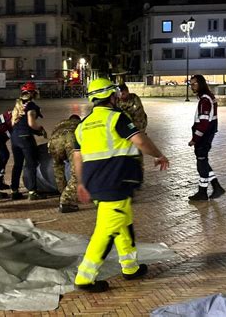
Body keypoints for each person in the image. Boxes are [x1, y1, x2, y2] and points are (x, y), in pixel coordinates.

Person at [73, 78, 169, 293]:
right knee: (105, 232)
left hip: (98, 184)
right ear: (112, 96)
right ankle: (84, 277)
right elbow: (140, 140)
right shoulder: (117, 118)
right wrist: (158, 155)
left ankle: (130, 267)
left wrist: (81, 184)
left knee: (123, 223)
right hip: (115, 183)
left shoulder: (82, 125)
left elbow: (78, 158)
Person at [188, 74, 225, 201]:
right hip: (208, 135)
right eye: (191, 84)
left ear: (201, 84)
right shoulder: (209, 97)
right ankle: (216, 186)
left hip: (204, 137)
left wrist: (195, 139)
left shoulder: (204, 100)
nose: (192, 86)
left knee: (201, 163)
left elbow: (203, 123)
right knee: (203, 162)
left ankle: (203, 192)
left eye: (194, 84)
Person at [10, 81, 47, 200]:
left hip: (15, 137)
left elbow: (17, 122)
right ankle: (32, 192)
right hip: (25, 138)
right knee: (31, 164)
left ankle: (14, 191)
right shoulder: (31, 105)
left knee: (17, 164)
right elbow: (31, 123)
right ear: (33, 93)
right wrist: (40, 129)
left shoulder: (18, 105)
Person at [48, 114, 81, 213]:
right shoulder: (79, 123)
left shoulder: (61, 123)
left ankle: (63, 193)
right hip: (71, 140)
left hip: (54, 142)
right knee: (77, 173)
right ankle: (66, 200)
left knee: (58, 167)